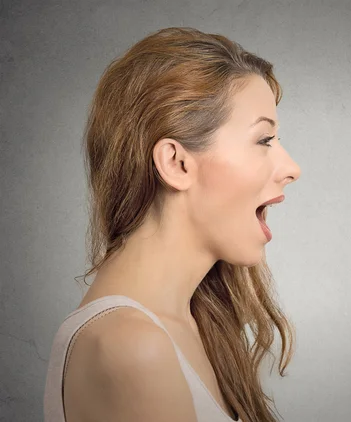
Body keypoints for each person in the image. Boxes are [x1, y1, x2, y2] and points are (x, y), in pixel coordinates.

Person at [43, 27, 302, 422]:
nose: (291, 169)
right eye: (264, 140)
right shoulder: (130, 346)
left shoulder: (190, 324)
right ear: (176, 164)